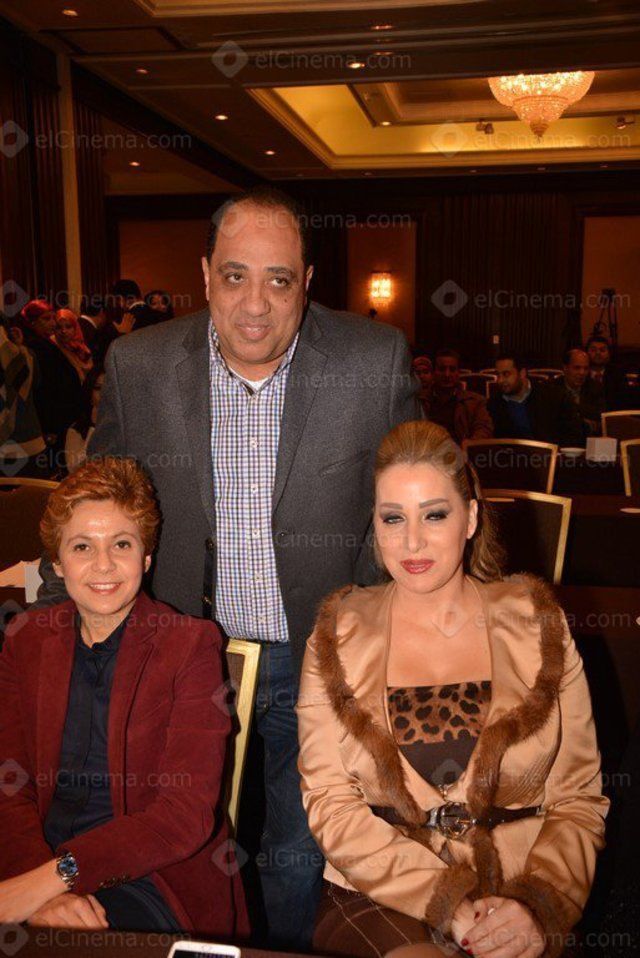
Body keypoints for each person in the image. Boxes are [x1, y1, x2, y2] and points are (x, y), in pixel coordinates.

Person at [35, 185, 420, 948]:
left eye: (279, 280)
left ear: (307, 283)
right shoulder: (140, 365)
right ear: (206, 274)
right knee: (184, 848)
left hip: (315, 658)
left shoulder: (372, 361)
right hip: (183, 659)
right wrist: (47, 627)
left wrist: (376, 633)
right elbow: (97, 503)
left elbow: (405, 509)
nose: (255, 304)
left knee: (292, 852)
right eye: (236, 276)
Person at [297, 420, 608, 958]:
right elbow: (330, 804)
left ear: (471, 519)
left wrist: (538, 904)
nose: (412, 541)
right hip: (382, 893)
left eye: (435, 515)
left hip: (519, 890)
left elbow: (578, 799)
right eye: (393, 518)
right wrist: (446, 900)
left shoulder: (539, 624)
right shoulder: (338, 633)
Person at [0, 457, 247, 936]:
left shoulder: (189, 646)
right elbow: (10, 782)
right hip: (33, 857)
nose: (103, 565)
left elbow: (183, 815)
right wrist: (33, 882)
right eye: (82, 546)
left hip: (150, 873)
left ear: (146, 558)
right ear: (57, 563)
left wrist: (52, 880)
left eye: (122, 544)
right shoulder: (25, 639)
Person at [19, 300, 84, 463]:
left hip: (62, 415)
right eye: (46, 319)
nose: (53, 323)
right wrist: (49, 427)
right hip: (53, 420)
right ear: (33, 322)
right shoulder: (35, 346)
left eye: (53, 318)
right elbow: (43, 390)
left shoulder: (46, 342)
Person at [488, 353, 583, 446]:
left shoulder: (552, 397)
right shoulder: (494, 404)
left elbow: (572, 433)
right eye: (498, 375)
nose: (500, 380)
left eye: (506, 374)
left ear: (522, 373)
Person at [0, 312, 47, 477]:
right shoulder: (26, 355)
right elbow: (37, 385)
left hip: (11, 445)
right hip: (31, 441)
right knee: (31, 490)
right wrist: (19, 346)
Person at [424, 348, 493, 443]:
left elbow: (484, 428)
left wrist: (470, 444)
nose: (447, 374)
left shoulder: (474, 401)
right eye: (442, 369)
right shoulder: (420, 400)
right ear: (434, 372)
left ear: (458, 373)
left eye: (452, 370)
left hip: (460, 449)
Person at [556, 348, 605, 440]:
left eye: (586, 368)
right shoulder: (552, 388)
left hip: (587, 441)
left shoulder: (596, 388)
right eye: (577, 368)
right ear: (565, 368)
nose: (582, 373)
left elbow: (599, 420)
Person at [64, 366, 105, 472]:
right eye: (98, 388)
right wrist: (93, 428)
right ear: (90, 394)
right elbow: (73, 468)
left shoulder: (126, 425)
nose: (104, 394)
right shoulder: (78, 429)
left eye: (109, 388)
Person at [586, 336, 633, 411]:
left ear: (608, 354)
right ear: (586, 353)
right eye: (593, 350)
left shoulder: (617, 373)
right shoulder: (582, 373)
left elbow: (624, 400)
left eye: (602, 350)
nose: (598, 353)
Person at [54, 309, 94, 383]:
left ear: (75, 328)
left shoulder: (82, 348)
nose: (63, 331)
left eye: (68, 327)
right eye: (59, 327)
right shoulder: (52, 346)